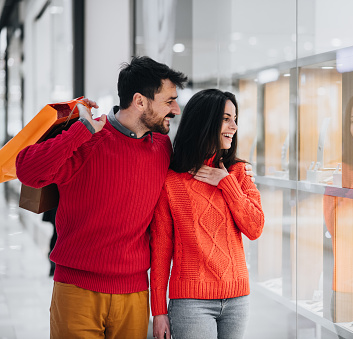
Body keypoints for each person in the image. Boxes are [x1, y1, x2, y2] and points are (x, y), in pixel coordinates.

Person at [15, 57, 250, 338]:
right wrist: (81, 130)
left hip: (135, 293)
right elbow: (27, 172)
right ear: (140, 101)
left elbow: (195, 176)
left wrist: (234, 173)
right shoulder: (87, 138)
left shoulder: (162, 148)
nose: (175, 109)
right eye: (169, 101)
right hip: (78, 289)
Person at [150, 89, 265, 339]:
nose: (234, 126)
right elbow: (160, 249)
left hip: (237, 299)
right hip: (191, 303)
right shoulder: (171, 181)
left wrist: (227, 183)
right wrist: (158, 311)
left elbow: (255, 229)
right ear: (204, 121)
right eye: (226, 118)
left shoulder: (239, 173)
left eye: (235, 119)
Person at [42, 207, 58, 276]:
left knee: (56, 232)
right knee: (57, 233)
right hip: (62, 205)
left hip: (57, 205)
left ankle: (53, 263)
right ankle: (53, 262)